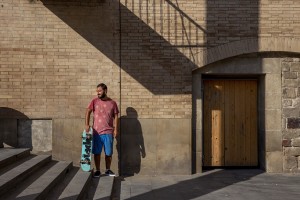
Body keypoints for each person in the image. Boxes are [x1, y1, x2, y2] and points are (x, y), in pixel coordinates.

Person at [85, 83, 119, 177]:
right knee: (97, 152)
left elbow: (116, 116)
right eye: (97, 91)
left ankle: (108, 170)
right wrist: (87, 124)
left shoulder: (112, 103)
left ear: (105, 90)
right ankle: (98, 170)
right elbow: (88, 111)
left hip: (108, 132)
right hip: (97, 132)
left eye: (100, 91)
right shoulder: (94, 101)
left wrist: (116, 129)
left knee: (108, 153)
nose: (98, 93)